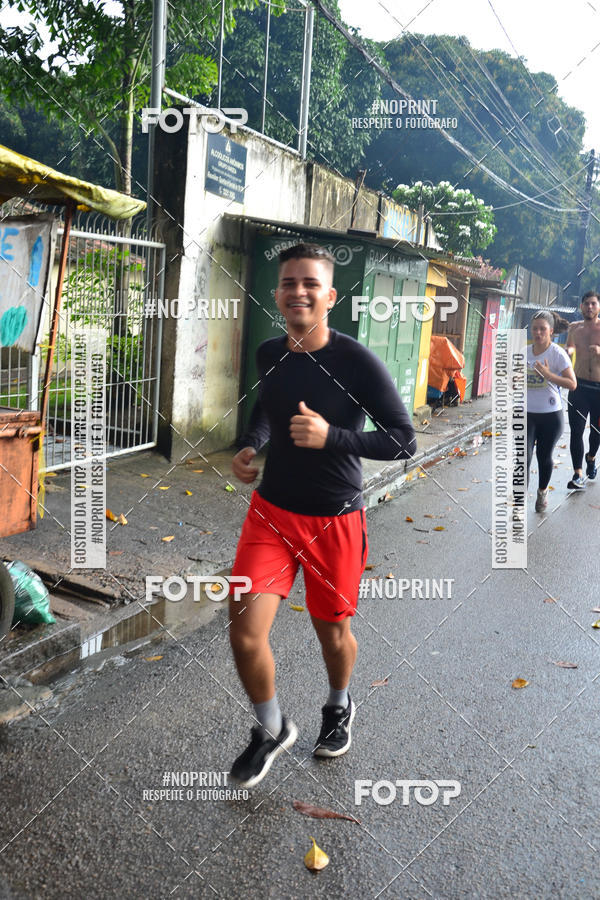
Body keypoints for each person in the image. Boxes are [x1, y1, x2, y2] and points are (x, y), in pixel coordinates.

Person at [227, 242, 416, 788]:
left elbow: (404, 440)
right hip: (271, 514)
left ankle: (338, 704)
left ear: (330, 295)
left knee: (332, 633)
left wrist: (331, 437)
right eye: (289, 283)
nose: (299, 292)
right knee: (244, 629)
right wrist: (251, 445)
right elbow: (269, 404)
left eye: (310, 283)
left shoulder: (356, 362)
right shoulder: (270, 354)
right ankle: (271, 727)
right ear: (277, 293)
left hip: (334, 520)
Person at [526, 310, 576, 512]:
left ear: (551, 331)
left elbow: (572, 384)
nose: (538, 333)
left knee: (543, 457)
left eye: (542, 329)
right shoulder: (524, 353)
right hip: (526, 414)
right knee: (523, 458)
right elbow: (513, 380)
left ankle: (542, 491)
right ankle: (519, 504)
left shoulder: (557, 354)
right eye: (535, 329)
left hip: (550, 416)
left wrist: (548, 375)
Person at [565, 291, 600, 489]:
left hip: (599, 389)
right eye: (586, 304)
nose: (589, 307)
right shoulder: (574, 328)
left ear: (599, 307)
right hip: (578, 388)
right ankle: (578, 473)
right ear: (581, 306)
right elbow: (569, 347)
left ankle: (591, 456)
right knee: (576, 431)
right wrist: (569, 352)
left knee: (596, 431)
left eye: (593, 304)